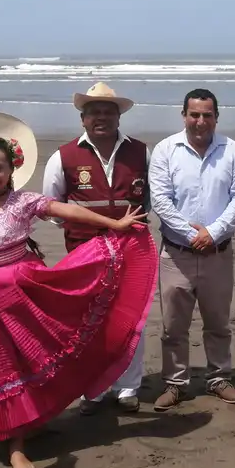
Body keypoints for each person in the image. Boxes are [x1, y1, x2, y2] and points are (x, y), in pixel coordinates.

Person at [0, 112, 157, 468]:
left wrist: (114, 225)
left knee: (36, 360)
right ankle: (14, 445)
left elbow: (66, 208)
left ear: (11, 170)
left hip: (23, 292)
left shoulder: (24, 202)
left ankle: (29, 426)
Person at [42, 82, 150, 416]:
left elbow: (149, 200)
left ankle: (128, 387)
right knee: (89, 321)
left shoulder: (141, 152)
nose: (101, 117)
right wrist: (83, 231)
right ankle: (95, 388)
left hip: (131, 249)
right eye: (94, 112)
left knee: (133, 317)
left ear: (119, 117)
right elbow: (52, 207)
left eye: (108, 111)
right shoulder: (63, 156)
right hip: (84, 253)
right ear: (83, 118)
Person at [148, 89, 235, 411]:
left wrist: (213, 233)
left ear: (216, 118)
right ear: (184, 116)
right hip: (176, 255)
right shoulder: (166, 150)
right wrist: (190, 234)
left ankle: (218, 378)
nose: (200, 121)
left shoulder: (231, 151)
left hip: (218, 255)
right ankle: (175, 383)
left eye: (207, 115)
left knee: (218, 323)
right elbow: (160, 200)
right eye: (194, 114)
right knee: (173, 326)